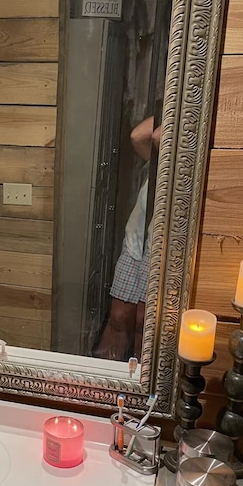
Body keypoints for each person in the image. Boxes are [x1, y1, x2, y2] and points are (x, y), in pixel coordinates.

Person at [93, 116, 160, 361]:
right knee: (119, 317)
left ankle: (141, 384)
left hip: (163, 250)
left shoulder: (185, 157)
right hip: (136, 241)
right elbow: (139, 135)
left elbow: (157, 136)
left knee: (146, 324)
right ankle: (104, 379)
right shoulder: (158, 159)